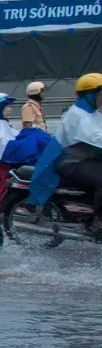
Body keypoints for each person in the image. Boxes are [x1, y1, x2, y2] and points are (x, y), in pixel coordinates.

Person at [52, 72, 102, 231]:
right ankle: (99, 221)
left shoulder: (92, 112)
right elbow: (95, 137)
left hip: (86, 159)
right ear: (91, 94)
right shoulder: (77, 114)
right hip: (72, 163)